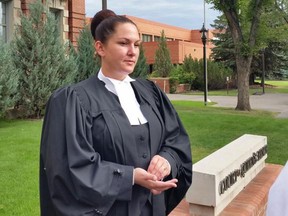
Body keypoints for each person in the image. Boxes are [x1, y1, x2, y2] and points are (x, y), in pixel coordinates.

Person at [39, 9, 192, 216]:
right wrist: (129, 177)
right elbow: (68, 166)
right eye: (123, 43)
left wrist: (167, 160)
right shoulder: (73, 99)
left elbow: (175, 139)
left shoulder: (152, 93)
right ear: (100, 47)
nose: (133, 51)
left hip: (153, 208)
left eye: (136, 44)